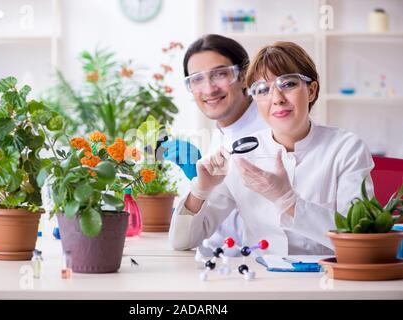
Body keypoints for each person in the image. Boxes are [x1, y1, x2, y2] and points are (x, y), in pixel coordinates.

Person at [169, 41, 375, 256]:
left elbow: (361, 241)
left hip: (327, 280)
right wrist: (200, 190)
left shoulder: (346, 149)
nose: (276, 98)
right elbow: (181, 241)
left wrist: (288, 200)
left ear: (312, 90)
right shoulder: (240, 155)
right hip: (259, 281)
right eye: (263, 90)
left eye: (288, 84)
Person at [161, 34, 268, 256]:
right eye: (197, 79)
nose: (209, 89)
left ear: (244, 77)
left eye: (220, 74)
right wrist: (199, 186)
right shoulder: (222, 132)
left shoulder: (272, 130)